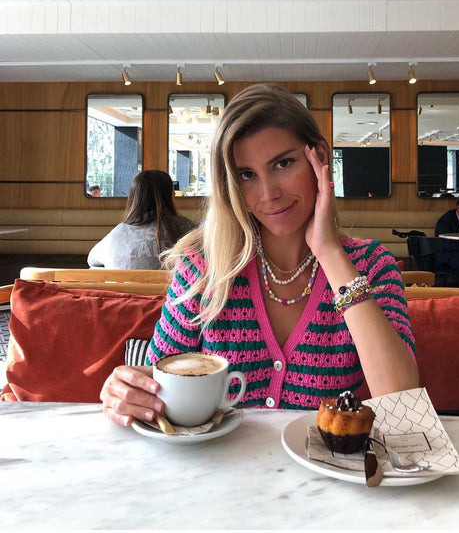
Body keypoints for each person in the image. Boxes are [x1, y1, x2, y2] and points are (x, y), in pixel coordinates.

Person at [101, 84, 418, 427]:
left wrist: (329, 252)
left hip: (326, 461)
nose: (268, 194)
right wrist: (127, 390)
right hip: (222, 461)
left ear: (320, 158)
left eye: (283, 163)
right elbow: (159, 380)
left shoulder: (371, 265)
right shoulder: (202, 266)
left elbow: (401, 402)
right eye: (246, 174)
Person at [87, 170, 196, 269]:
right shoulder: (187, 228)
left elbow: (92, 260)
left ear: (134, 198)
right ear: (170, 197)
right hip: (173, 285)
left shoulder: (119, 232)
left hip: (125, 285)